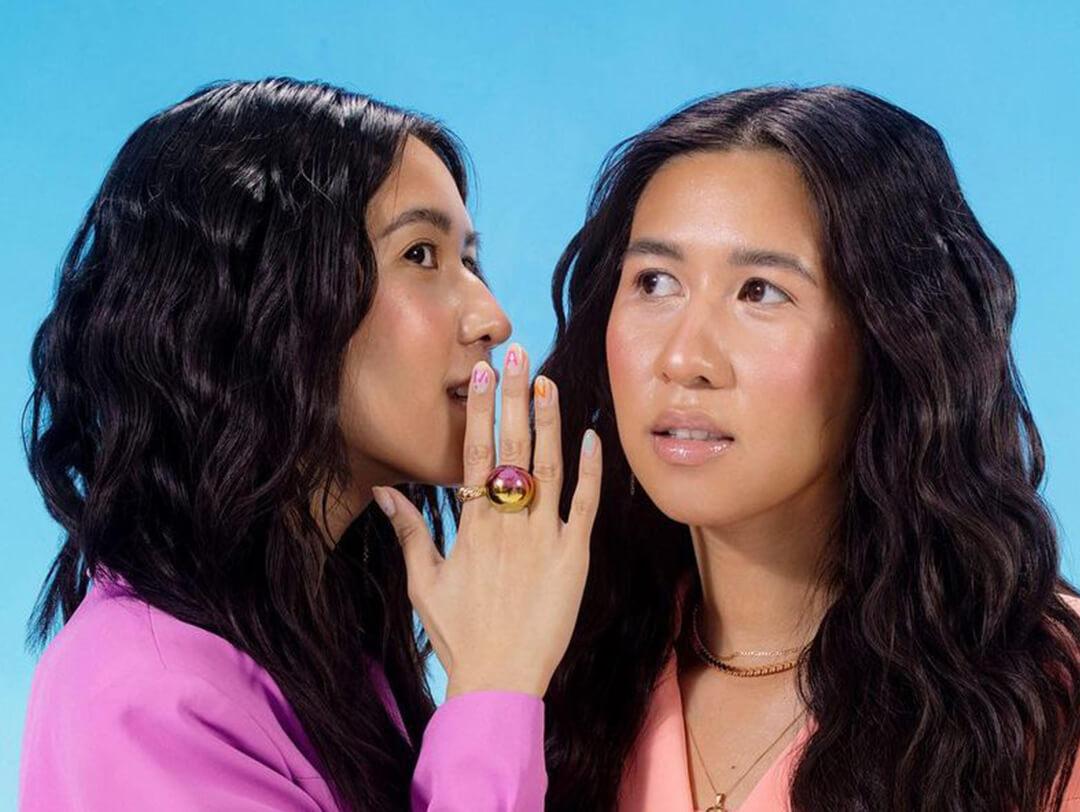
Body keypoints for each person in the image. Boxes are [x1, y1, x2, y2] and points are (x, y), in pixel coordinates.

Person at [19, 77, 599, 811]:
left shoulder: (325, 648)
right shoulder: (147, 693)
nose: (492, 317)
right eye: (421, 254)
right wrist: (497, 682)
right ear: (259, 299)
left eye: (468, 260)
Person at [538, 85, 1080, 811]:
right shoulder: (561, 669)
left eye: (760, 291)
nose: (683, 358)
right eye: (655, 282)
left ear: (891, 337)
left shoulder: (1044, 693)